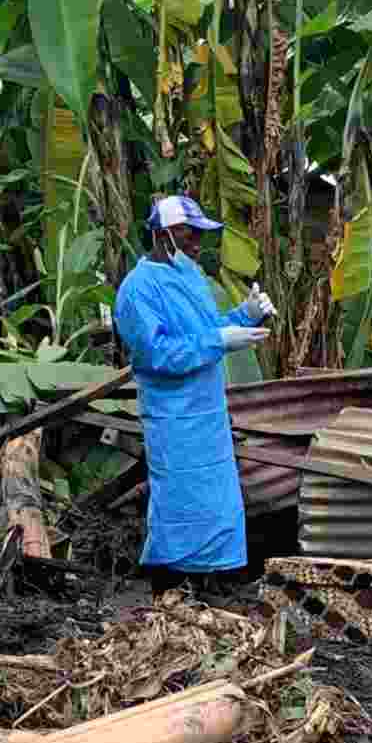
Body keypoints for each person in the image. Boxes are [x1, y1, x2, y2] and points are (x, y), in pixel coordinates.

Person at [113, 195, 275, 599]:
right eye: (189, 235)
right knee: (179, 506)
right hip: (174, 417)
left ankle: (216, 586)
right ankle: (169, 588)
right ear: (163, 235)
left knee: (218, 506)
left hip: (208, 414)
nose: (197, 244)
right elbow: (157, 354)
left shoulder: (190, 277)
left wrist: (245, 316)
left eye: (201, 235)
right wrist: (220, 339)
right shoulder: (137, 291)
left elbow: (205, 330)